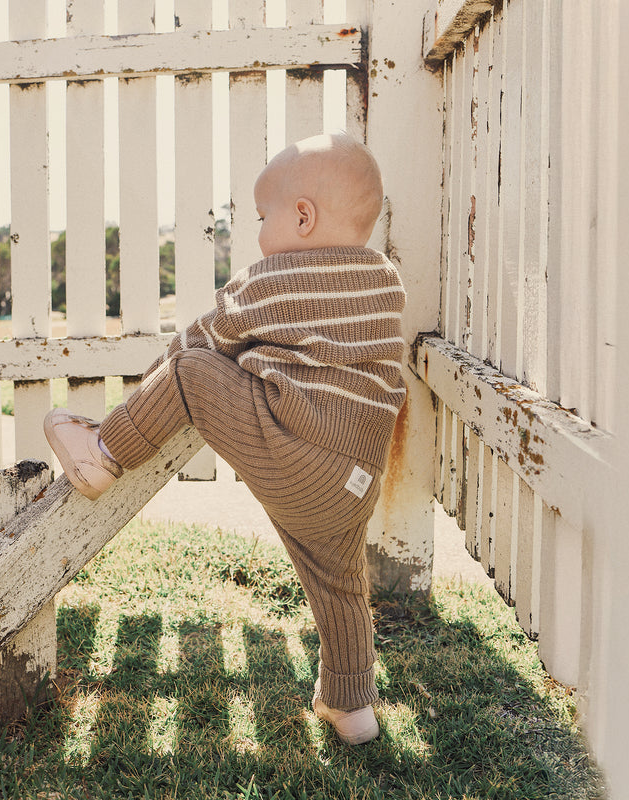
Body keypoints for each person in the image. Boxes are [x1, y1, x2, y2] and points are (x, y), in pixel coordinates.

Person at [44, 132, 406, 745]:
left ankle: (103, 453)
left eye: (263, 219)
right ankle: (352, 708)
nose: (259, 235)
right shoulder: (385, 283)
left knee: (189, 372)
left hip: (298, 453)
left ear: (303, 217)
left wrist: (154, 389)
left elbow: (205, 339)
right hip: (356, 477)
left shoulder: (278, 278)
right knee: (340, 584)